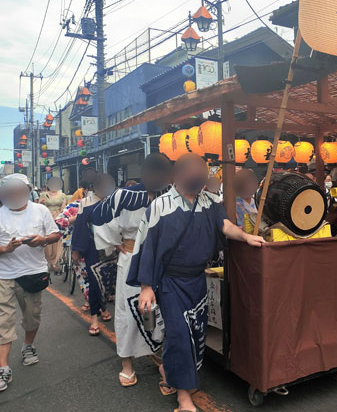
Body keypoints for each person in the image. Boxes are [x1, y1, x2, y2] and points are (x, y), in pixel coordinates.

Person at [130, 154, 265, 412]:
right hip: (170, 282)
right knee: (180, 335)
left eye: (202, 172)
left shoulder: (211, 201)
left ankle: (170, 370)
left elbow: (225, 226)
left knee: (194, 332)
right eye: (193, 172)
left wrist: (246, 238)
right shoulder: (161, 205)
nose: (199, 176)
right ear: (177, 176)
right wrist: (146, 286)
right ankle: (184, 397)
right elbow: (147, 245)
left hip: (197, 279)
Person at [91, 154, 173, 391]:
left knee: (159, 311)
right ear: (144, 172)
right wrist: (116, 243)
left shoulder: (171, 194)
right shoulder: (124, 196)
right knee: (129, 311)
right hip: (132, 260)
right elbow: (98, 217)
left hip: (162, 263)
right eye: (152, 172)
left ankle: (156, 351)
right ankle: (127, 362)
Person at [0, 174, 61, 392]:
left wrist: (42, 240)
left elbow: (56, 234)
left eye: (19, 190)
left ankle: (28, 346)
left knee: (31, 316)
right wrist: (6, 249)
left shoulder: (40, 210)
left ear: (27, 190)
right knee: (3, 320)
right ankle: (3, 366)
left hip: (33, 272)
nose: (14, 194)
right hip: (4, 274)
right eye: (9, 191)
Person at [71, 174, 117, 337]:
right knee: (95, 282)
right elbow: (80, 227)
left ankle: (103, 307)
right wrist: (76, 250)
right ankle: (94, 318)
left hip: (112, 248)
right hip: (92, 248)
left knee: (108, 281)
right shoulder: (86, 202)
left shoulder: (115, 200)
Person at [39, 177, 68, 273]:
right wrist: (41, 203)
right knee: (47, 239)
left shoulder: (63, 195)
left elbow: (63, 208)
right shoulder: (43, 195)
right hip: (46, 217)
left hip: (58, 217)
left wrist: (61, 218)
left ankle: (54, 262)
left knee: (57, 239)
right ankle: (48, 259)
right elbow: (40, 207)